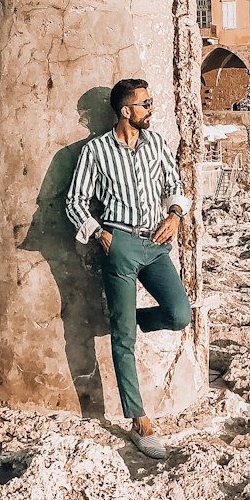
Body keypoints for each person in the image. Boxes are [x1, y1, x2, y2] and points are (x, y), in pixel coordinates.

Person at [66, 78, 192, 458]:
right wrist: (102, 236)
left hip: (155, 245)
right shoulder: (97, 150)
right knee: (125, 343)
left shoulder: (155, 143)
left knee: (179, 313)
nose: (151, 109)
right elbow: (75, 201)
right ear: (125, 111)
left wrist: (174, 215)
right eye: (145, 103)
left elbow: (173, 184)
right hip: (119, 245)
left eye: (151, 102)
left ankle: (124, 319)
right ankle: (139, 421)